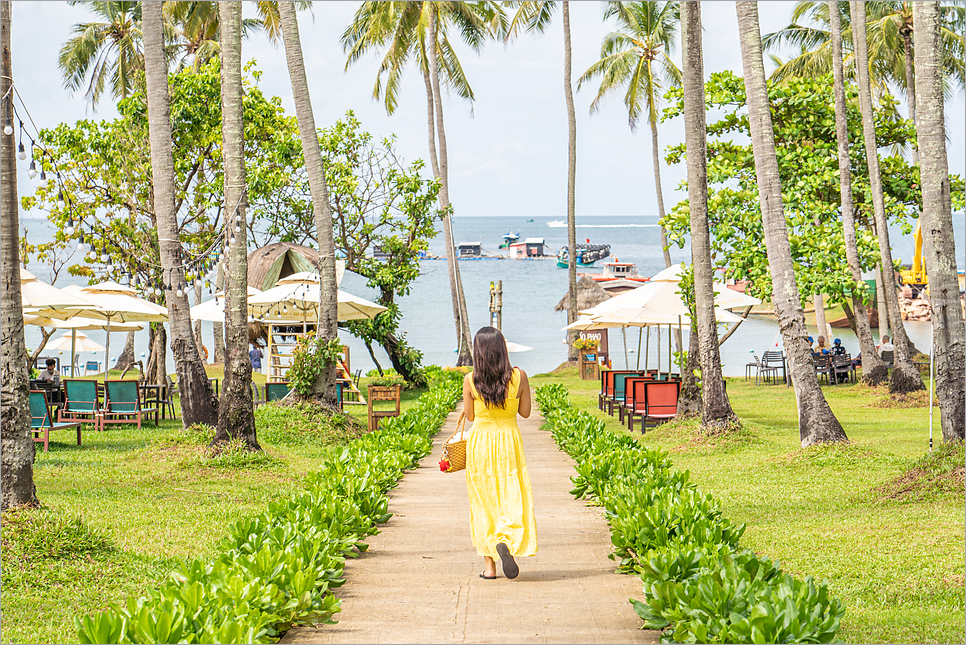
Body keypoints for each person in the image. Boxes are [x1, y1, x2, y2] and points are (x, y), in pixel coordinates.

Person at [462, 326, 537, 580]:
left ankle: (489, 568)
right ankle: (506, 541)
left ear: (479, 352)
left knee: (483, 502)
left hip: (480, 444)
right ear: (502, 349)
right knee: (511, 494)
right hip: (508, 443)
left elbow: (471, 416)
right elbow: (525, 413)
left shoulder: (471, 380)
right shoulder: (520, 377)